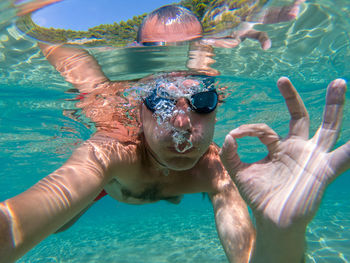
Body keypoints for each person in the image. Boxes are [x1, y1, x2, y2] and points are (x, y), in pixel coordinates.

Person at [1, 4, 349, 263]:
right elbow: (12, 229)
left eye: (202, 100)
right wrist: (23, 10)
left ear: (217, 102)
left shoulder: (218, 171)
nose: (182, 123)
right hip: (111, 186)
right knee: (58, 225)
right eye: (159, 98)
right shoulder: (111, 150)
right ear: (138, 101)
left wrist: (282, 232)